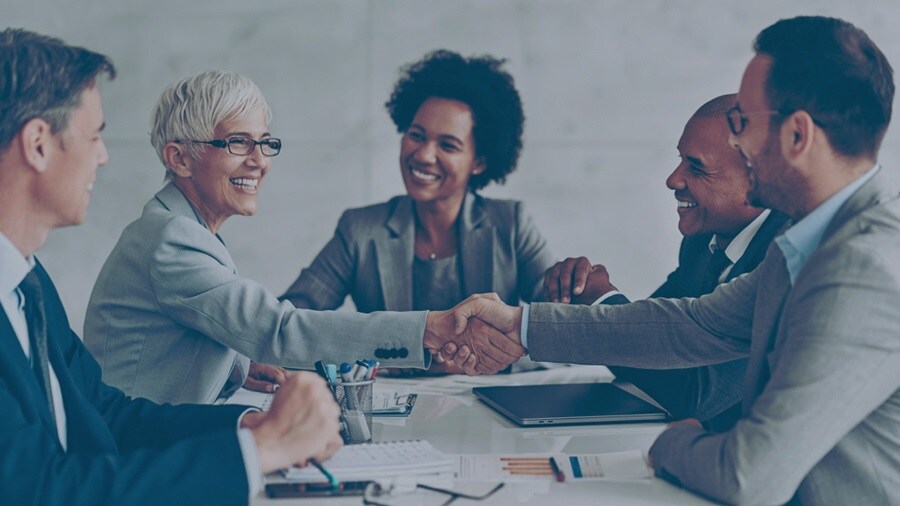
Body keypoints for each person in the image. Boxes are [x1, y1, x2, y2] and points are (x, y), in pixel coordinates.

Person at [452, 16, 899, 504]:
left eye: (741, 122)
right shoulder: (811, 240)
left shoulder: (865, 268)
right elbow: (689, 326)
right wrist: (520, 324)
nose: (740, 143)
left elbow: (749, 478)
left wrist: (672, 442)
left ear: (797, 136)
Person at [0, 28, 344, 504]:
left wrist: (250, 426)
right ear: (38, 144)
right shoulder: (165, 236)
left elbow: (107, 415)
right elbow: (36, 491)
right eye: (95, 135)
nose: (103, 156)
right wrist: (259, 450)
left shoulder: (28, 284)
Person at [83, 70, 517, 405]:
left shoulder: (182, 228)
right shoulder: (172, 239)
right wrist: (431, 329)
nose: (259, 162)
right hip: (136, 451)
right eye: (238, 143)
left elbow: (197, 332)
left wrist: (237, 365)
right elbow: (280, 327)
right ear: (179, 158)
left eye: (264, 144)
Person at [280, 50, 552, 375]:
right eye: (416, 135)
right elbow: (290, 323)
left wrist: (498, 355)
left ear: (479, 162)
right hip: (391, 415)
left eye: (448, 145)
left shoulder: (511, 225)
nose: (423, 155)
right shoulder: (361, 230)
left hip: (493, 412)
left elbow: (558, 329)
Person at [543, 94, 790, 431]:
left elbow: (698, 394)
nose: (673, 180)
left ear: (756, 180)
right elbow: (649, 349)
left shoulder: (786, 256)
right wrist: (582, 294)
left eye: (696, 166)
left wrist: (602, 302)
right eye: (679, 161)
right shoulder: (701, 243)